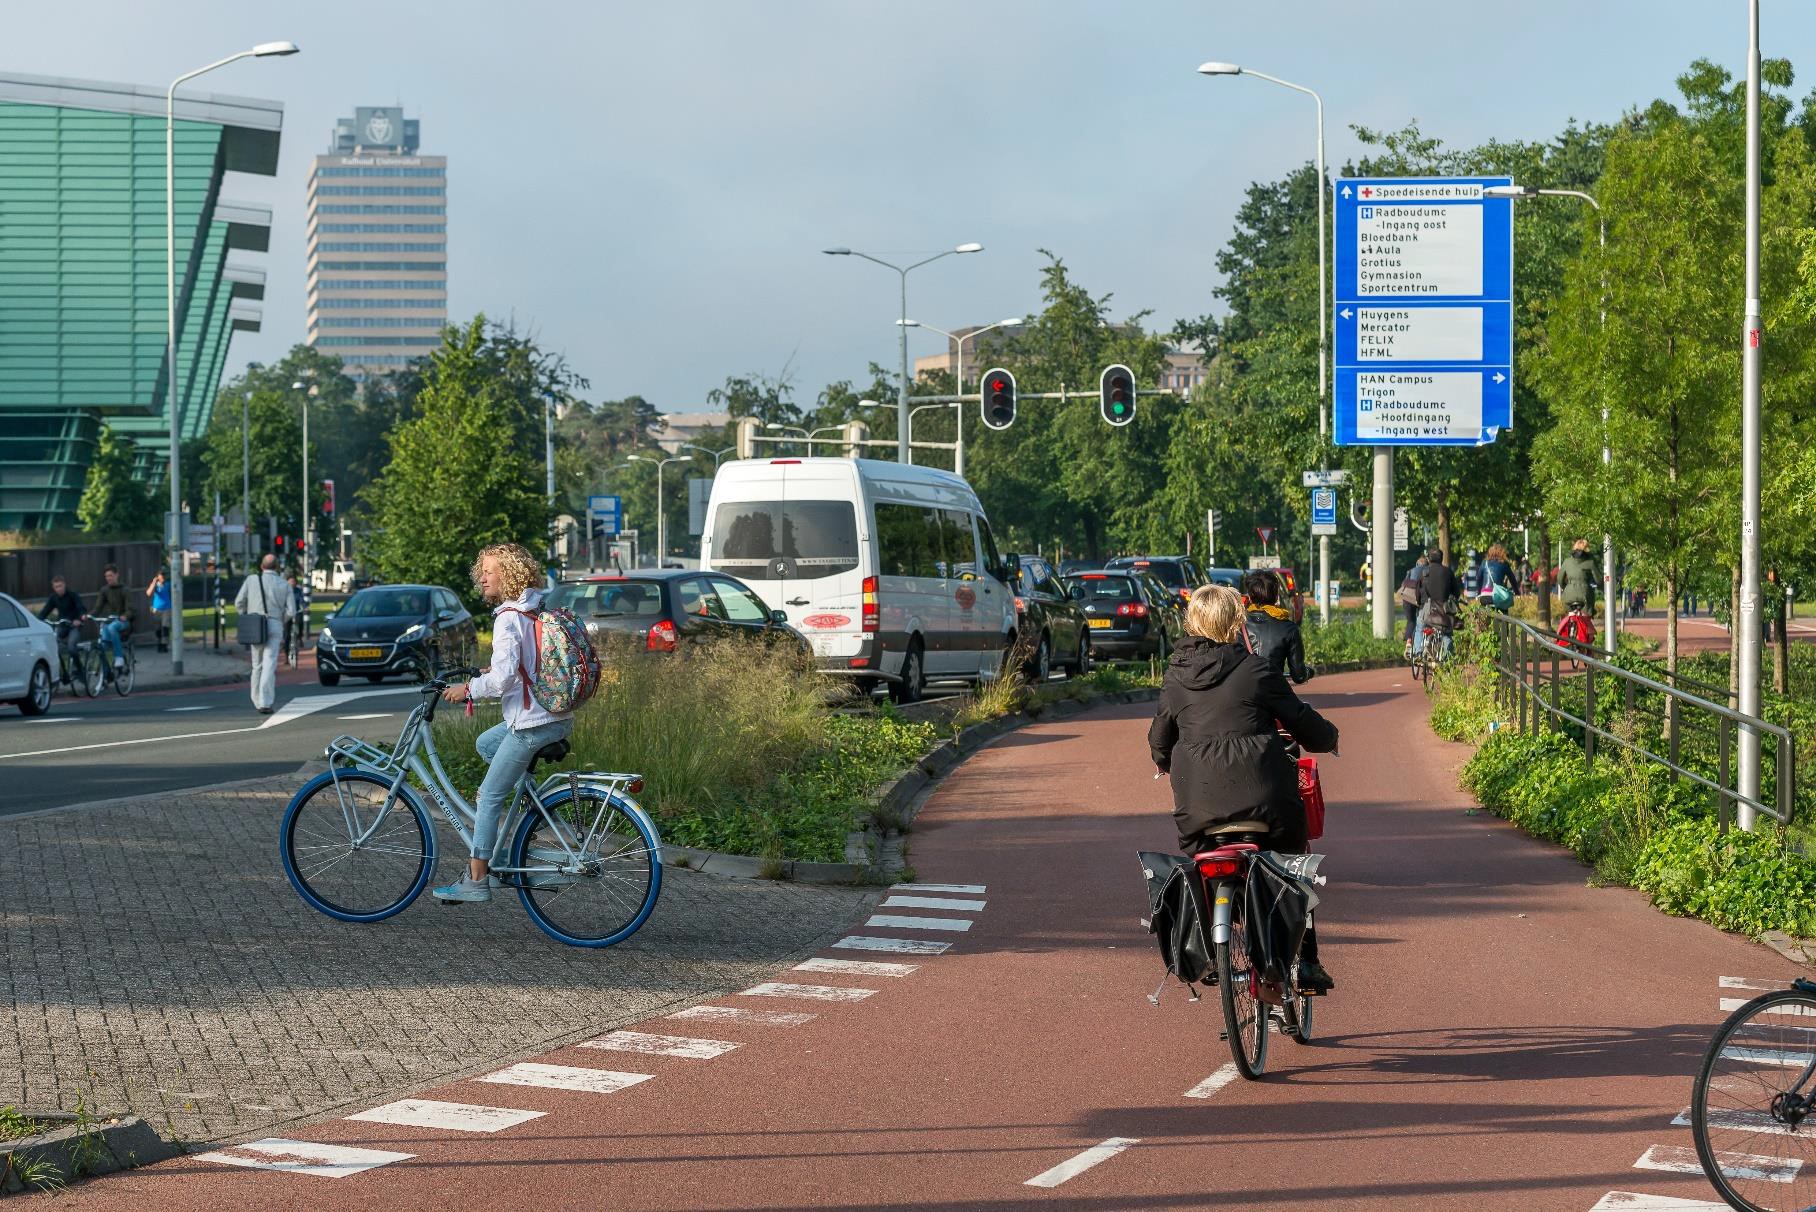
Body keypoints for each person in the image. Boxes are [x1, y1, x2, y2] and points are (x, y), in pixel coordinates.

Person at [1148, 584, 1340, 993]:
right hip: (1266, 802)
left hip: (1198, 808)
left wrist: (1165, 762)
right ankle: (1305, 960)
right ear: (1237, 623)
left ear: (1192, 622)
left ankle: (1209, 947)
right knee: (1291, 860)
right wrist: (1328, 737)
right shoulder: (1257, 671)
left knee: (1202, 860)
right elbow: (1301, 719)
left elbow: (1159, 743)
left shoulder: (1176, 678)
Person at [433, 541, 577, 904]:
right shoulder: (533, 608)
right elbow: (519, 669)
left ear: (508, 575)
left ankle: (478, 879)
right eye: (480, 571)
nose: (481, 578)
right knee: (486, 744)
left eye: (489, 571)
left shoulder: (507, 617)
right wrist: (492, 673)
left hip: (531, 723)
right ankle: (533, 808)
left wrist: (468, 689)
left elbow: (501, 682)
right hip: (554, 717)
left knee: (488, 797)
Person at [234, 553, 293, 714]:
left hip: (255, 623)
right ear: (277, 567)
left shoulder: (251, 580)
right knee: (270, 663)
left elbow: (239, 602)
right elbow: (291, 611)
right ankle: (265, 701)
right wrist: (280, 620)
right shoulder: (284, 584)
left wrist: (246, 616)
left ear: (261, 566)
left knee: (257, 665)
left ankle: (256, 698)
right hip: (275, 623)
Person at [1243, 570, 1312, 684]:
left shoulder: (1236, 625)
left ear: (1250, 597)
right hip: (1273, 691)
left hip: (1241, 693)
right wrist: (1309, 672)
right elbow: (1299, 676)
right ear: (1276, 597)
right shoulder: (1290, 628)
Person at [36, 574, 87, 680]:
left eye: (60, 586)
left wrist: (80, 618)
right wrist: (36, 622)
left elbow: (81, 607)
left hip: (74, 626)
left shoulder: (73, 595)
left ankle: (80, 671)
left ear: (64, 585)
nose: (58, 589)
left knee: (71, 648)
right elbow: (44, 612)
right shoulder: (54, 598)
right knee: (53, 648)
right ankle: (63, 673)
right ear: (53, 588)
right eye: (56, 587)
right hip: (62, 625)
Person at [1415, 548, 1460, 657]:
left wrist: (1418, 602)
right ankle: (1447, 656)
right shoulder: (1448, 572)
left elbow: (1418, 592)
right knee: (1446, 632)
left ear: (1429, 559)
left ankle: (1418, 652)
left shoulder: (1424, 572)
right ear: (1441, 559)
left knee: (1420, 627)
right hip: (1443, 610)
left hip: (1427, 609)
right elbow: (1456, 592)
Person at [91, 564, 137, 671]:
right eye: (107, 576)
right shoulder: (104, 590)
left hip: (123, 622)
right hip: (109, 621)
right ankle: (106, 675)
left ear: (117, 575)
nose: (109, 578)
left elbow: (131, 608)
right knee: (102, 647)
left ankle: (119, 657)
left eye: (111, 575)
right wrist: (89, 616)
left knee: (113, 627)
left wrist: (125, 616)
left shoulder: (125, 590)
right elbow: (97, 607)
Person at [1398, 553, 1428, 654]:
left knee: (1411, 621)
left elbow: (1404, 583)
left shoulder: (1410, 571)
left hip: (1407, 599)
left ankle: (1409, 642)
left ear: (1417, 564)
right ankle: (1423, 646)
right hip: (1420, 599)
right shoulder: (1427, 571)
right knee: (1422, 620)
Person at [1558, 538, 1597, 616]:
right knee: (1586, 618)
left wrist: (1566, 587)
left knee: (1570, 616)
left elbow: (1559, 579)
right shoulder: (1590, 563)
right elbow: (1598, 580)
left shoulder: (1567, 562)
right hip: (1585, 595)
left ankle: (1570, 622)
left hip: (1568, 595)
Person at [146, 566, 172, 652]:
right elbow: (148, 593)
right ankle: (159, 642)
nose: (163, 577)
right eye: (162, 575)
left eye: (164, 575)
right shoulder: (155, 585)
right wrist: (154, 583)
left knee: (165, 626)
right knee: (158, 628)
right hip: (156, 609)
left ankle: (164, 644)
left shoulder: (168, 584)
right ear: (158, 576)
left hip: (167, 609)